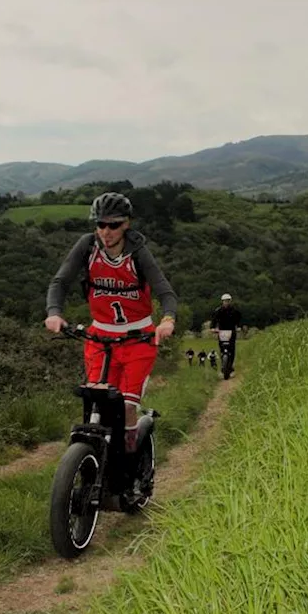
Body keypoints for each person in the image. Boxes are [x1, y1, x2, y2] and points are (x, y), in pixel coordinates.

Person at [45, 192, 178, 453]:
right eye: (100, 224)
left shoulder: (138, 252)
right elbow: (60, 282)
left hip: (138, 339)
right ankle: (94, 465)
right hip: (99, 339)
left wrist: (167, 319)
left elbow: (165, 291)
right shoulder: (87, 246)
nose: (106, 231)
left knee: (127, 407)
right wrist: (54, 312)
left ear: (126, 223)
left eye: (114, 225)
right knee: (98, 402)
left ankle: (128, 467)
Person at [210, 293, 242, 376]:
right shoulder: (218, 311)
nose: (226, 302)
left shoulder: (235, 311)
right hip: (222, 331)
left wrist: (238, 327)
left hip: (232, 331)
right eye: (225, 301)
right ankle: (223, 365)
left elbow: (239, 320)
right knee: (221, 348)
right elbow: (214, 320)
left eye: (228, 301)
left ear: (230, 301)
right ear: (222, 301)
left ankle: (230, 366)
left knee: (232, 348)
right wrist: (213, 328)